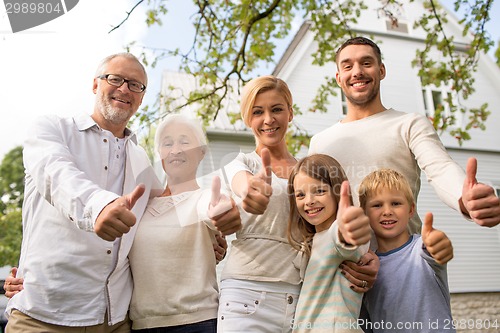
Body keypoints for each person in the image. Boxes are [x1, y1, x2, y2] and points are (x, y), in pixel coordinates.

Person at [3, 53, 236, 333]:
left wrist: (209, 238)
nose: (125, 89)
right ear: (95, 84)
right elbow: (57, 175)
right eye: (115, 79)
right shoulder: (53, 130)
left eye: (135, 85)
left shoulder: (140, 160)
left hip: (115, 320)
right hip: (45, 313)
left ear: (140, 98)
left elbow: (172, 205)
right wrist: (99, 207)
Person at [218, 75, 377, 333]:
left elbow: (331, 231)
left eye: (277, 109)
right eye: (258, 112)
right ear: (248, 119)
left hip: (297, 299)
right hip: (246, 296)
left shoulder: (307, 173)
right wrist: (250, 192)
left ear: (290, 113)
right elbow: (242, 184)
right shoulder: (240, 163)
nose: (268, 119)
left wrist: (363, 252)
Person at [308, 36, 500, 235]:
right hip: (343, 263)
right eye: (348, 67)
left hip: (405, 259)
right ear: (339, 78)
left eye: (366, 63)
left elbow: (440, 168)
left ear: (381, 71)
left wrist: (464, 197)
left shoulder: (409, 124)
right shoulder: (320, 142)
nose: (357, 72)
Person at [128, 114, 239, 332]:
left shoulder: (205, 198)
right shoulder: (142, 204)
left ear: (201, 153)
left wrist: (219, 212)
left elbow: (213, 211)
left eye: (185, 141)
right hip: (142, 324)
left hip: (196, 322)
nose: (175, 149)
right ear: (159, 153)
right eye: (167, 143)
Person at [357, 169, 455, 333]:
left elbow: (435, 249)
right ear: (364, 214)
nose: (387, 211)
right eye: (377, 205)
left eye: (395, 203)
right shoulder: (367, 269)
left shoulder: (422, 249)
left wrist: (439, 244)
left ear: (411, 210)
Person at [287, 154, 371, 332]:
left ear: (337, 191)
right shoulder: (312, 241)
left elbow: (344, 241)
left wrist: (347, 227)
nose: (309, 201)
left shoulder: (334, 235)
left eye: (319, 191)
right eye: (300, 195)